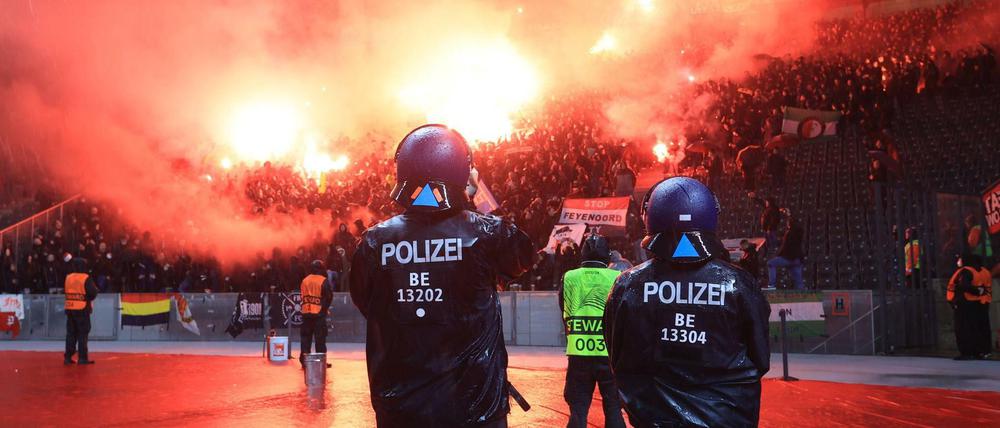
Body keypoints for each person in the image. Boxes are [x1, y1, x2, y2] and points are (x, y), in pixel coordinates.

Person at [350, 124, 534, 427]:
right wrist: (472, 201)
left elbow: (368, 303)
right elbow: (523, 257)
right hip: (475, 411)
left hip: (400, 411)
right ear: (464, 173)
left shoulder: (373, 243)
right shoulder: (486, 233)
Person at [604, 177, 770, 427]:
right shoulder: (740, 284)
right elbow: (760, 360)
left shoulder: (627, 285)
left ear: (649, 215)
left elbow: (617, 356)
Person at [559, 234, 626, 428]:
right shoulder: (617, 278)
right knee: (614, 411)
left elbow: (564, 312)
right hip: (609, 356)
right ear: (607, 256)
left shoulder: (569, 277)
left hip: (579, 354)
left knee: (578, 412)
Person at [946, 254, 991, 360]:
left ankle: (967, 352)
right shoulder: (985, 271)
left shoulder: (966, 271)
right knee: (980, 327)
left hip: (965, 302)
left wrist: (976, 291)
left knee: (963, 328)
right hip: (982, 302)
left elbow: (963, 285)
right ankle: (982, 351)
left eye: (960, 259)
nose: (958, 261)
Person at [64, 257, 98, 365]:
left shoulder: (68, 277)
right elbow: (93, 293)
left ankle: (68, 357)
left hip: (70, 308)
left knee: (71, 333)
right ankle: (82, 358)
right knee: (83, 333)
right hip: (82, 309)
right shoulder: (85, 277)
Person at [299, 259, 333, 368]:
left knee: (305, 339)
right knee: (320, 340)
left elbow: (302, 296)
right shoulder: (323, 280)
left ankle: (304, 362)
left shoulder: (305, 280)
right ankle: (321, 362)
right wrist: (323, 311)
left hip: (306, 314)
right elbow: (328, 297)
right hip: (318, 315)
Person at [767, 209, 804, 290]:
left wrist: (789, 215)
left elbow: (784, 247)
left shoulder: (791, 232)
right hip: (797, 259)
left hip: (788, 258)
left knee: (770, 263)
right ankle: (801, 291)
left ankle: (771, 286)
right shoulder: (798, 232)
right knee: (798, 279)